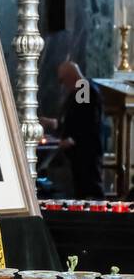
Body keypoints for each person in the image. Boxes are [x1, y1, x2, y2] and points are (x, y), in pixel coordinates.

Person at [42, 59, 104, 198]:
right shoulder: (78, 91)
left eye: (62, 80)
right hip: (77, 154)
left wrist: (73, 139)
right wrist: (53, 123)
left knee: (90, 191)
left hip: (86, 153)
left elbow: (87, 122)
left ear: (71, 76)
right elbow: (73, 120)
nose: (62, 85)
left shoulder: (84, 89)